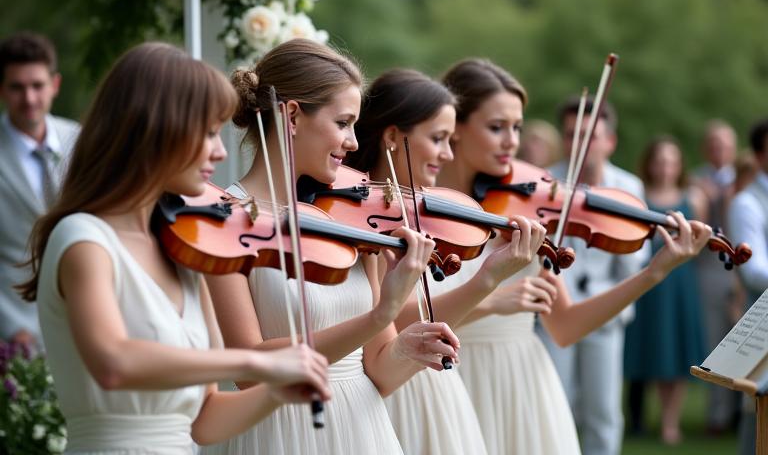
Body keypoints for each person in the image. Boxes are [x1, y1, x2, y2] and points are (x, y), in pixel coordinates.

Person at [16, 42, 332, 452]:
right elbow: (113, 363)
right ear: (158, 128)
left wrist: (275, 390)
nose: (220, 152)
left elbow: (204, 421)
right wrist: (256, 361)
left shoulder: (183, 252)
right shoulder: (82, 239)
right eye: (208, 133)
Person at [437, 58, 711, 455]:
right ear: (456, 128)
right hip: (451, 380)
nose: (512, 142)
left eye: (517, 127)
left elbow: (564, 326)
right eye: (496, 128)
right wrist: (492, 299)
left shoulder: (528, 208)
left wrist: (653, 272)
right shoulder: (423, 205)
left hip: (522, 385)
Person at [201, 40, 460, 455]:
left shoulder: (348, 222)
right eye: (343, 123)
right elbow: (251, 368)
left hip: (364, 428)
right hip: (278, 434)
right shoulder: (223, 219)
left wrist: (406, 350)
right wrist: (381, 314)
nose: (355, 142)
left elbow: (378, 371)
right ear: (292, 116)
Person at [346, 68, 547, 455]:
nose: (448, 152)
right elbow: (392, 322)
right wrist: (487, 284)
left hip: (436, 387)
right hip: (397, 392)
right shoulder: (361, 227)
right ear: (392, 137)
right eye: (438, 138)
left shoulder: (419, 214)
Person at [533, 95, 650, 455]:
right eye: (571, 135)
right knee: (556, 404)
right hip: (554, 310)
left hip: (604, 311)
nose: (580, 144)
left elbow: (635, 259)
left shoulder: (628, 187)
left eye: (590, 136)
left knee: (603, 411)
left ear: (609, 141)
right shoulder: (546, 182)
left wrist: (606, 214)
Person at [623, 136, 708, 445]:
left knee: (677, 349)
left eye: (671, 161)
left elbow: (700, 244)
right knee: (656, 348)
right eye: (659, 161)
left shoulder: (694, 198)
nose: (665, 167)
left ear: (679, 165)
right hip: (651, 280)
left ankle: (671, 420)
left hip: (681, 282)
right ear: (650, 164)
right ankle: (648, 417)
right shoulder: (639, 195)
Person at [0, 32, 79, 351]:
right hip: (16, 334)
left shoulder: (80, 139)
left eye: (37, 85)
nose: (29, 98)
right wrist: (8, 325)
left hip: (82, 320)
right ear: (2, 89)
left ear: (55, 84)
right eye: (17, 87)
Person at [691, 119, 740, 434]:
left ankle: (744, 410)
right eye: (713, 145)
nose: (718, 151)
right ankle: (718, 415)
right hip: (710, 270)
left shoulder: (746, 178)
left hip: (744, 269)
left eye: (724, 145)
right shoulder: (696, 180)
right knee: (716, 344)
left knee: (745, 345)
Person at [728, 119, 768, 455]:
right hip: (764, 330)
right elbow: (753, 271)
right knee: (759, 423)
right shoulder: (746, 202)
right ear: (759, 155)